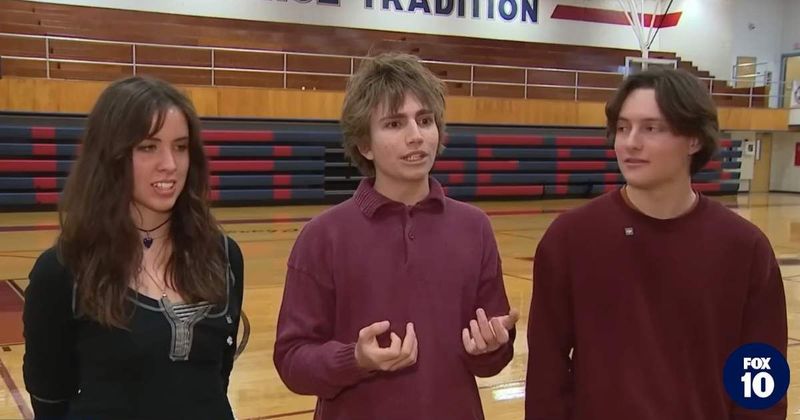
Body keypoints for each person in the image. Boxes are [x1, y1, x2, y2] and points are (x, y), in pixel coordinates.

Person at [525, 68, 787, 419]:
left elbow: (760, 379)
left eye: (652, 128)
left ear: (694, 139)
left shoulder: (744, 247)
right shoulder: (569, 239)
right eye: (623, 127)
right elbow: (547, 373)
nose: (630, 142)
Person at [273, 53, 518, 420]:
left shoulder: (474, 227)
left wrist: (492, 346)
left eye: (424, 120)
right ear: (364, 144)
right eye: (394, 123)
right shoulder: (322, 236)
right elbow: (292, 360)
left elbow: (492, 358)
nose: (416, 136)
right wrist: (354, 358)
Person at [23, 76, 244, 420]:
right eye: (148, 146)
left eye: (181, 146)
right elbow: (50, 400)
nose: (170, 163)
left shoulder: (224, 256)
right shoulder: (62, 271)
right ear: (110, 155)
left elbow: (216, 378)